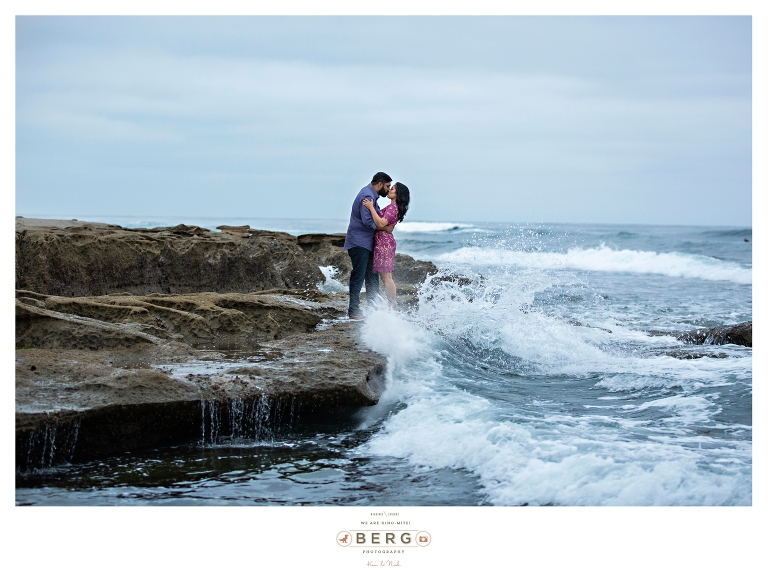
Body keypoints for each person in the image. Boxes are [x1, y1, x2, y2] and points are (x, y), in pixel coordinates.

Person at [343, 172, 394, 319]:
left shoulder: (372, 197)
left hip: (367, 243)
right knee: (358, 276)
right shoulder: (367, 196)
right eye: (387, 186)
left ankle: (373, 309)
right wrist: (385, 228)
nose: (388, 189)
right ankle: (354, 311)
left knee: (372, 276)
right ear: (379, 184)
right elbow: (368, 222)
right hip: (359, 243)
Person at [362, 182, 410, 309]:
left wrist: (371, 208)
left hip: (384, 243)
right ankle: (392, 306)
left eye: (392, 188)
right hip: (384, 241)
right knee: (387, 277)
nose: (389, 190)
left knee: (386, 277)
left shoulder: (393, 208)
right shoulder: (393, 207)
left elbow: (382, 222)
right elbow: (385, 226)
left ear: (397, 194)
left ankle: (393, 307)